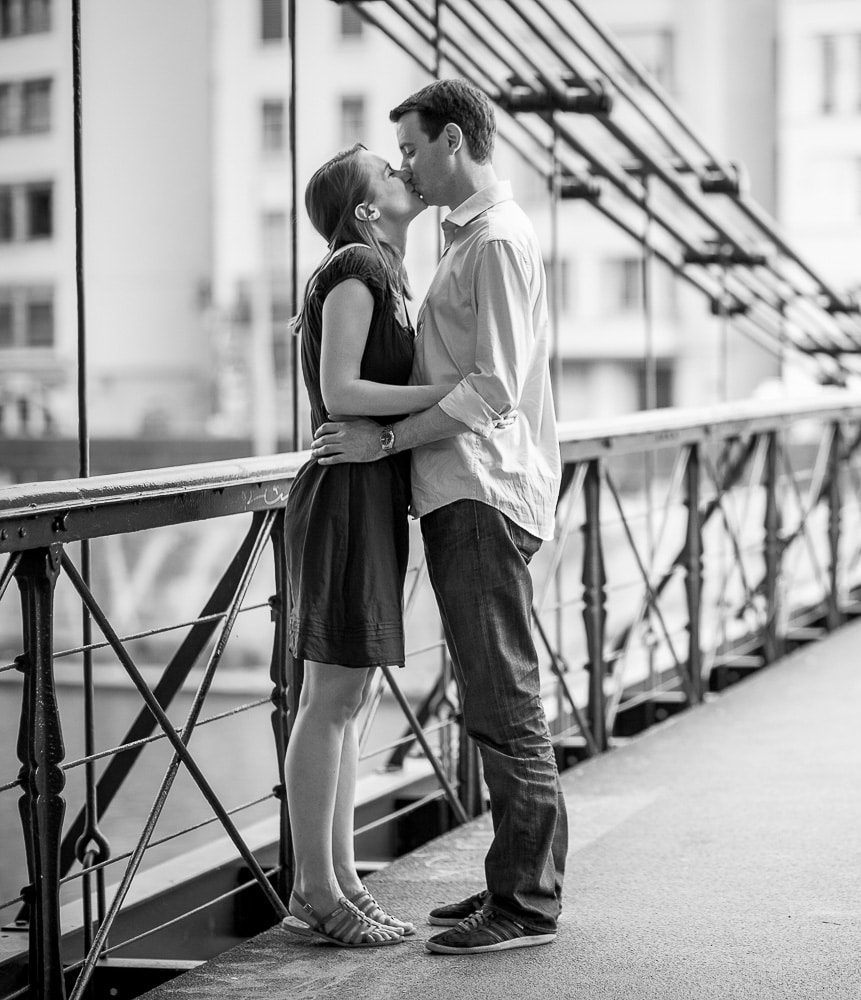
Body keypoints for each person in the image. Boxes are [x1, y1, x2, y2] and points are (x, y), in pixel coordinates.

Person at [312, 79, 567, 956]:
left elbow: (490, 388)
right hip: (462, 491)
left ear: (453, 141)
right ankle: (512, 882)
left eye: (414, 150)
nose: (409, 169)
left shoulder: (492, 243)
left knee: (503, 702)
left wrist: (386, 444)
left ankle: (527, 905)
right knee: (494, 699)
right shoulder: (466, 241)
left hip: (479, 492)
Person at [279, 145, 450, 947]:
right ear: (366, 209)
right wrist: (454, 394)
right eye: (387, 171)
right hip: (346, 497)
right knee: (332, 700)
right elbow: (341, 388)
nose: (402, 172)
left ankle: (341, 881)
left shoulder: (388, 272)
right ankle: (314, 889)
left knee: (354, 701)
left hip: (372, 494)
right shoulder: (356, 264)